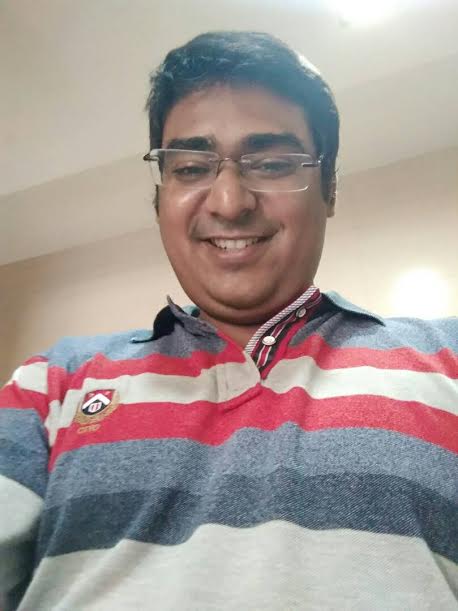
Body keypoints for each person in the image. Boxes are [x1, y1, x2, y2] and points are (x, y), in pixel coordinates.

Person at [0, 30, 457, 611]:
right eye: (191, 167)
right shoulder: (53, 383)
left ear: (330, 189)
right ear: (160, 197)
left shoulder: (448, 360)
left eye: (272, 163)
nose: (229, 202)